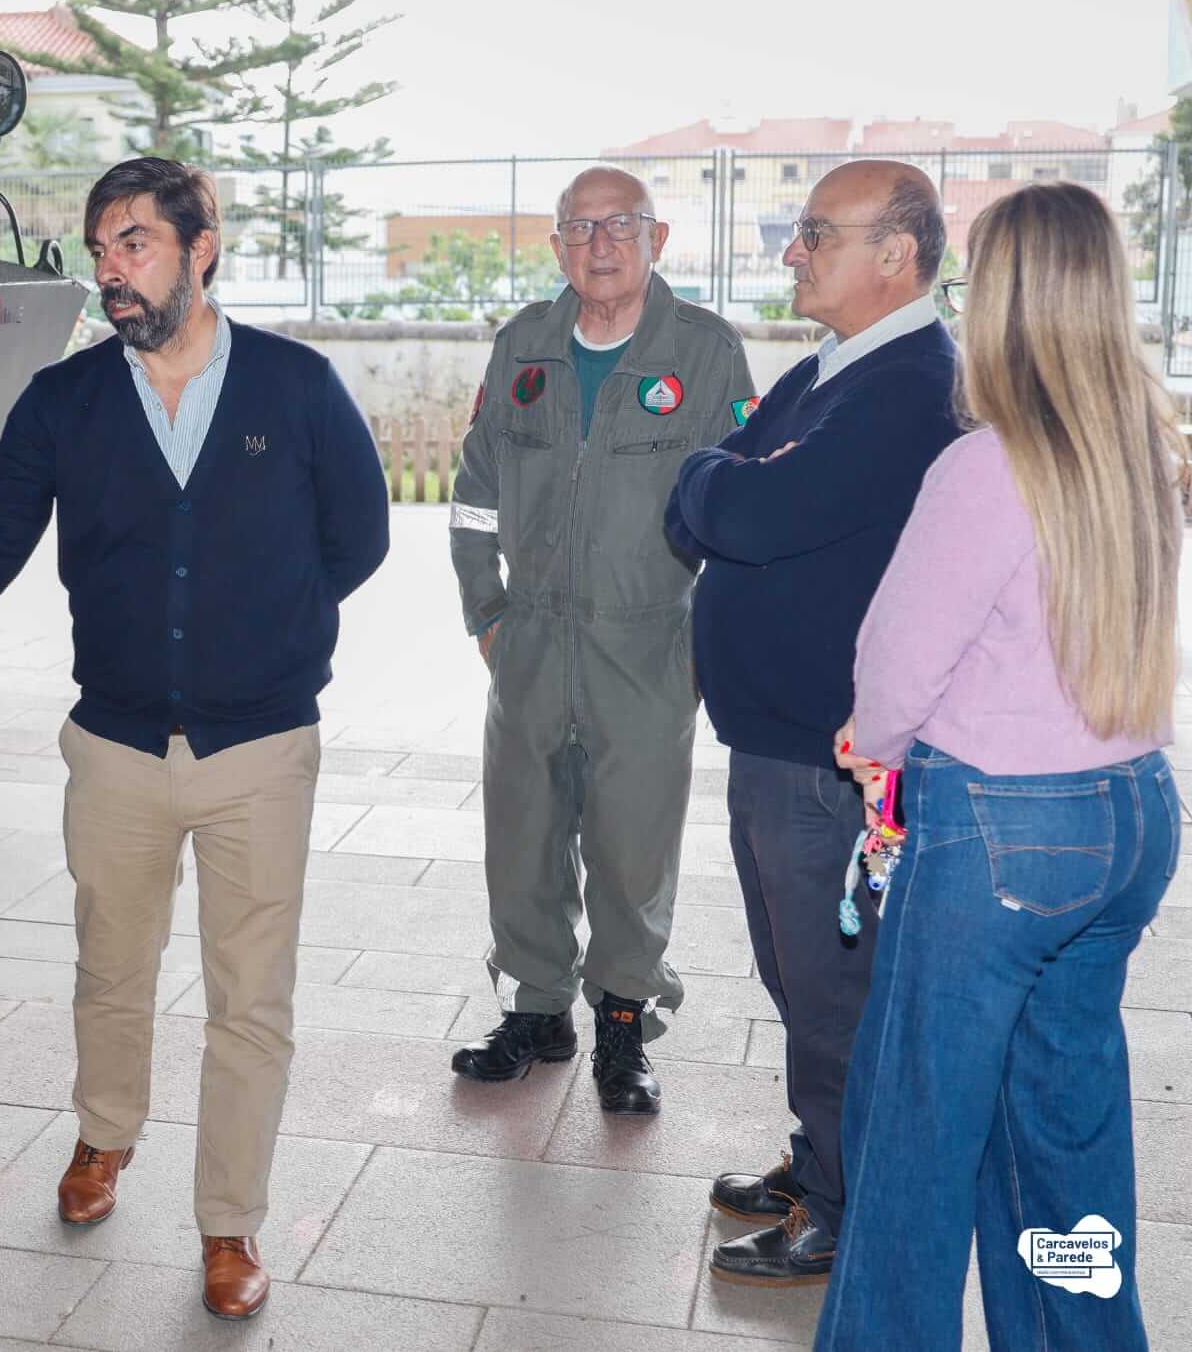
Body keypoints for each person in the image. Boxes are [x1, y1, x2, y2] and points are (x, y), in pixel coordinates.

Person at [0, 156, 388, 1320]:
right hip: (112, 745)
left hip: (258, 751)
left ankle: (228, 1224)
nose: (111, 272)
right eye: (101, 249)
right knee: (110, 966)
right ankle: (103, 1139)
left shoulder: (295, 386)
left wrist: (268, 632)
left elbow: (355, 539)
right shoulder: (65, 402)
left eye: (134, 245)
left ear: (199, 247)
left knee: (248, 997)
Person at [818, 182, 1181, 1350]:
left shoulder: (984, 469)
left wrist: (868, 747)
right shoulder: (1144, 451)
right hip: (1130, 820)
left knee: (910, 1140)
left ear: (1006, 300)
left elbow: (894, 666)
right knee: (1063, 1135)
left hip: (999, 839)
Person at [664, 159, 959, 1286]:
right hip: (777, 742)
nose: (790, 252)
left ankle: (841, 1203)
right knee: (797, 979)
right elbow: (725, 490)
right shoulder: (831, 372)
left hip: (832, 758)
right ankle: (816, 1156)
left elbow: (745, 504)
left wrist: (717, 477)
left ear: (894, 254)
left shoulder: (907, 386)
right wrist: (720, 478)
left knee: (834, 991)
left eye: (813, 233)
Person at [447, 164, 753, 1114]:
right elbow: (472, 495)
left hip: (646, 646)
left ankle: (624, 1023)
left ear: (657, 239)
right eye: (579, 229)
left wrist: (703, 647)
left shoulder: (702, 353)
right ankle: (538, 1009)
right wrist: (487, 615)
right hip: (531, 641)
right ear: (557, 247)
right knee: (524, 836)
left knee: (631, 847)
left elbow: (741, 510)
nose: (601, 245)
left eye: (621, 225)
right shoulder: (524, 345)